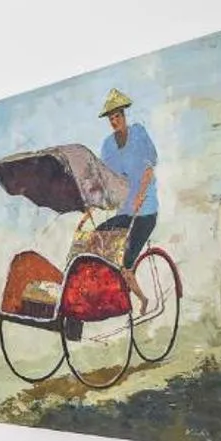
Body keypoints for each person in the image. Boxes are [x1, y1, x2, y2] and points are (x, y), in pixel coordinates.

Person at [95, 88, 159, 309]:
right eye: (111, 118)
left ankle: (141, 299)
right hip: (124, 212)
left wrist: (141, 193)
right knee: (97, 237)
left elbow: (150, 167)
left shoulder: (139, 133)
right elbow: (107, 180)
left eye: (118, 116)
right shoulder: (107, 146)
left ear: (124, 115)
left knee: (126, 261)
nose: (115, 121)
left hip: (145, 211)